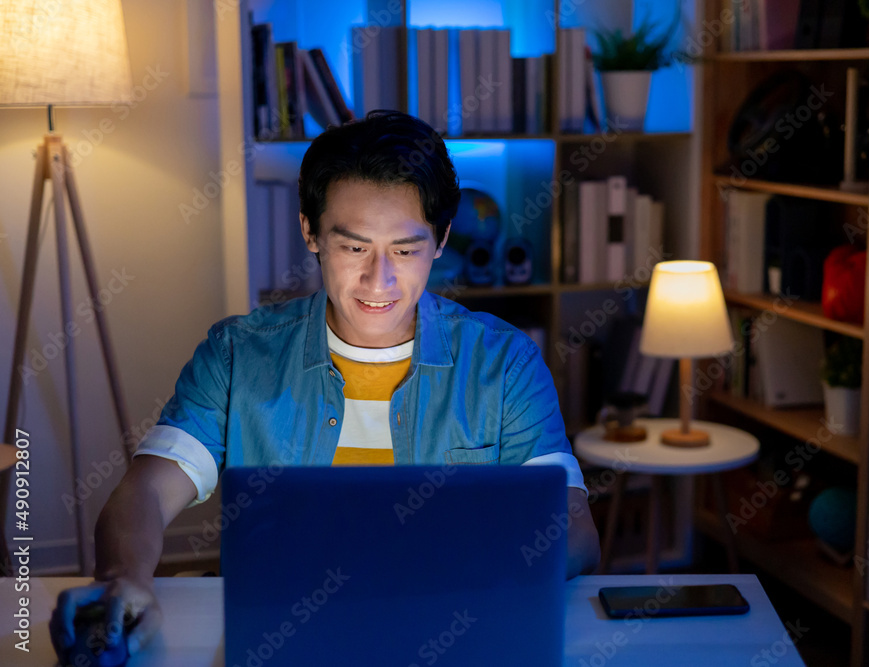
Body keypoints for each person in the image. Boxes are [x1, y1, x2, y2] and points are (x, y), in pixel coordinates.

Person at [49, 110, 600, 658]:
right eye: (353, 247)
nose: (378, 280)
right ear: (310, 231)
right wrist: (127, 577)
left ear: (442, 239)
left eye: (405, 250)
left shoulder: (505, 364)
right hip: (280, 639)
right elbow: (146, 490)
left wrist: (472, 580)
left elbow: (573, 528)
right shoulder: (239, 353)